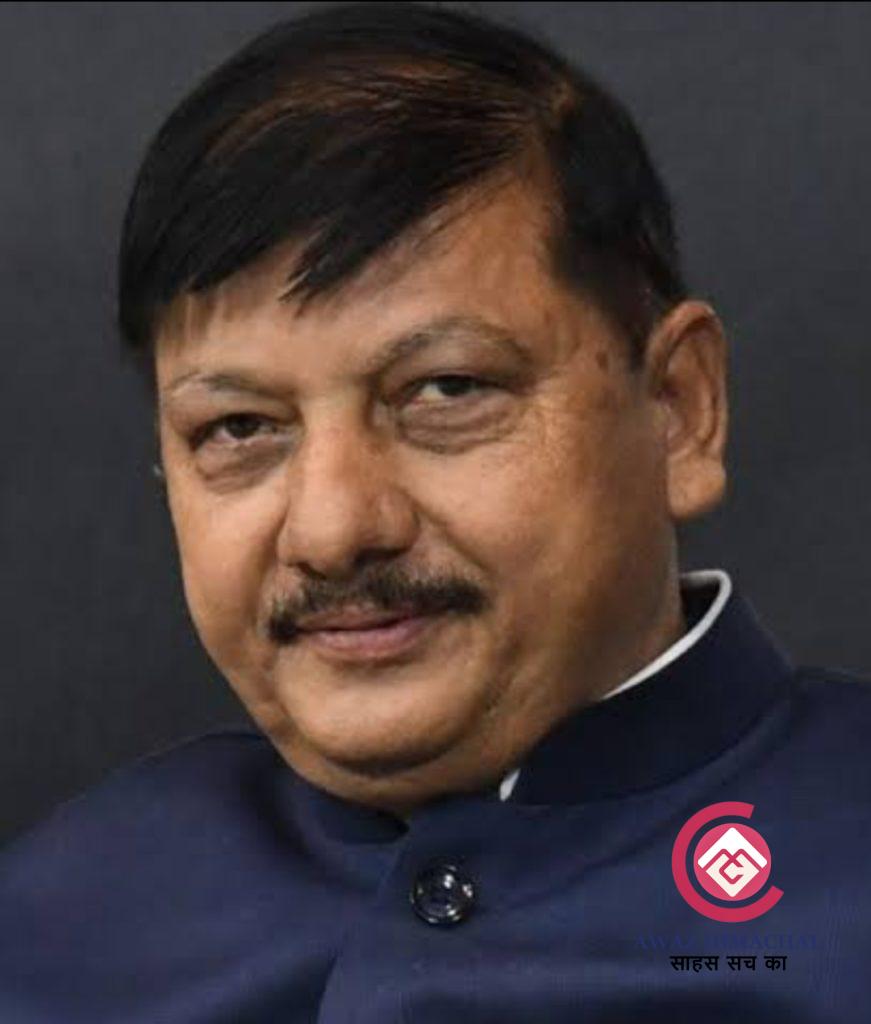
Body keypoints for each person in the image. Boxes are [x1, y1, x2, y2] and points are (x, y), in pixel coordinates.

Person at [1, 3, 869, 1020]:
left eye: (446, 391)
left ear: (677, 409)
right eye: (239, 427)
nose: (332, 530)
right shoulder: (62, 911)